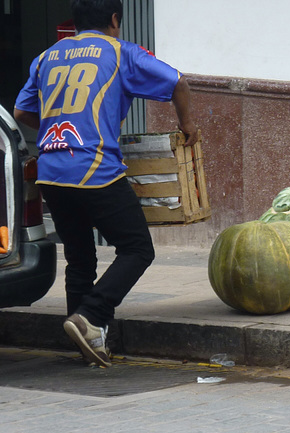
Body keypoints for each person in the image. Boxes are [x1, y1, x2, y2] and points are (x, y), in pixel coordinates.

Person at [13, 0, 197, 368]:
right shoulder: (120, 52)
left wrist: (55, 134)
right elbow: (177, 81)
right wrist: (188, 125)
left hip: (51, 171)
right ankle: (93, 316)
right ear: (115, 20)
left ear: (76, 22)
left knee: (80, 258)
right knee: (137, 248)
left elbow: (20, 112)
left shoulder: (46, 57)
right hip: (94, 168)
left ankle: (85, 341)